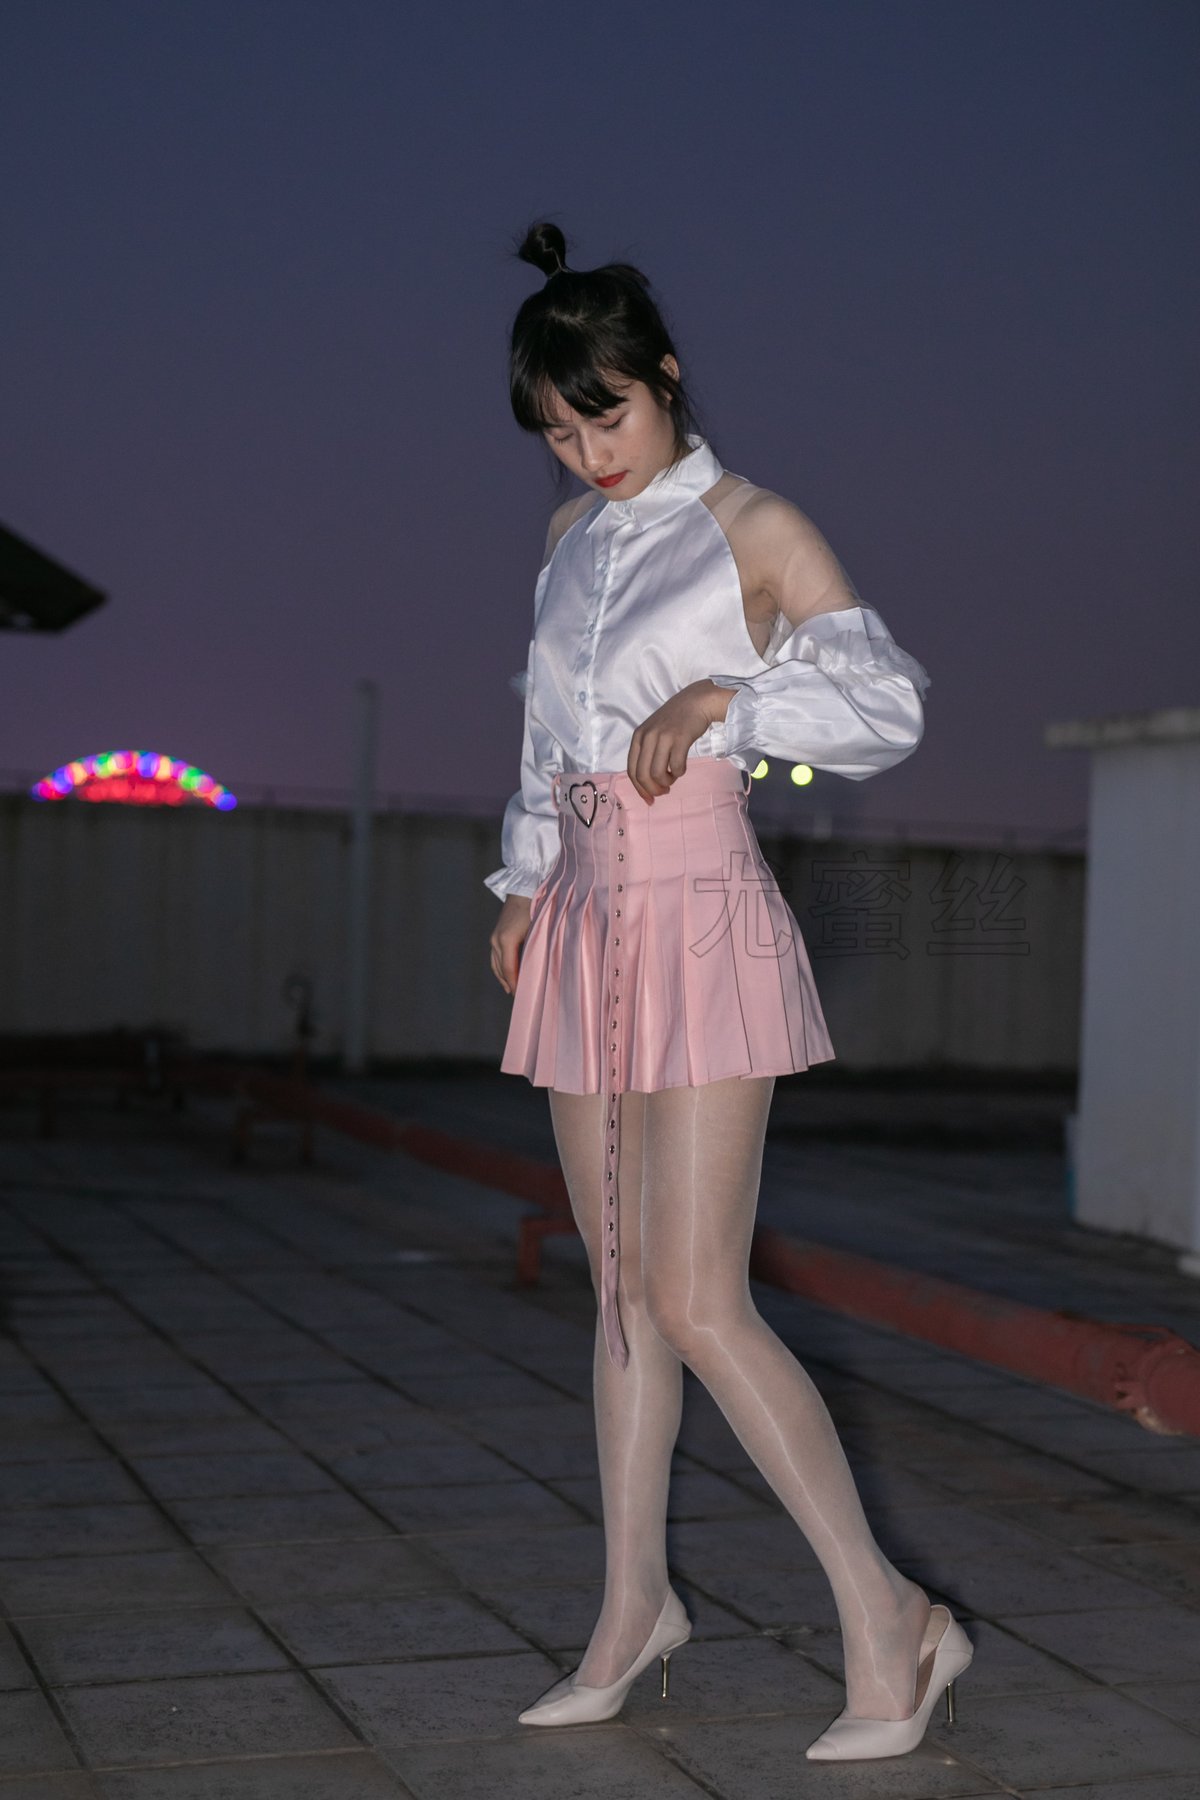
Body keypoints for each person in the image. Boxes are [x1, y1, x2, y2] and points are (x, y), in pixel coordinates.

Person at [484, 220, 971, 1763]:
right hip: (582, 915)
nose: (590, 452)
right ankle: (633, 1611)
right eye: (560, 432)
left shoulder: (756, 524)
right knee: (623, 1291)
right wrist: (520, 881)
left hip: (700, 910)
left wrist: (729, 698)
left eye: (608, 414)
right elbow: (547, 733)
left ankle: (893, 1619)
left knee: (699, 1296)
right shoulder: (569, 541)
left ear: (668, 376)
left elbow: (887, 703)